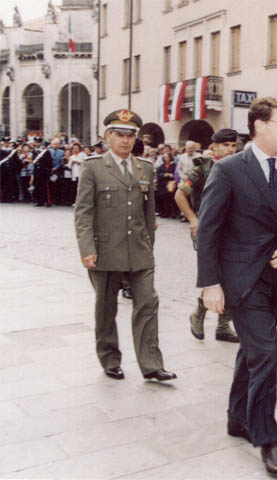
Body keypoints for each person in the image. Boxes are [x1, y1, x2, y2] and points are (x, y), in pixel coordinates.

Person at [196, 97, 277, 477]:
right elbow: (209, 230)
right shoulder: (230, 169)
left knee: (253, 350)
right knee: (266, 351)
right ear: (259, 125)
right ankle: (267, 438)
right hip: (242, 281)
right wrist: (209, 283)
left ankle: (237, 417)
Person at [74, 109, 176, 382]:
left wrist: (149, 247)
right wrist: (87, 249)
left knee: (147, 305)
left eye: (130, 135)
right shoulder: (93, 167)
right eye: (119, 134)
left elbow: (148, 212)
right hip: (105, 252)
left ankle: (151, 364)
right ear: (107, 136)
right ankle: (110, 358)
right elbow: (83, 212)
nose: (125, 140)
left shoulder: (145, 168)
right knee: (106, 308)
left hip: (139, 252)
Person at [174, 128, 239, 343]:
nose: (230, 149)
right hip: (210, 229)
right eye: (225, 145)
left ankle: (222, 325)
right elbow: (180, 195)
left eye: (233, 145)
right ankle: (199, 315)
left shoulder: (240, 165)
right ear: (214, 146)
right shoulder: (203, 168)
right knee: (217, 275)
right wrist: (194, 220)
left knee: (231, 277)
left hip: (233, 230)